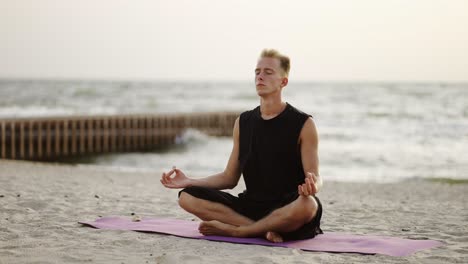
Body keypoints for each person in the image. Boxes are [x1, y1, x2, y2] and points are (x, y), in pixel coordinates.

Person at [160, 49, 323, 243]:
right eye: (257, 72)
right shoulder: (243, 122)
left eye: (268, 72)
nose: (260, 77)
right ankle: (262, 230)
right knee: (186, 197)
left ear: (283, 81)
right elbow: (229, 178)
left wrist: (313, 186)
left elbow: (316, 176)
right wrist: (189, 181)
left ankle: (240, 231)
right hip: (251, 206)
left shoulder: (304, 124)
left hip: (287, 207)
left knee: (308, 205)